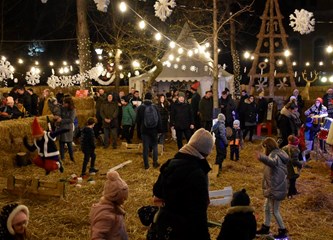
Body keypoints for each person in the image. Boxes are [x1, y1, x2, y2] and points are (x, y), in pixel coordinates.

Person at [149, 128, 213, 240]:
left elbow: (157, 191)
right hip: (185, 229)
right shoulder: (198, 174)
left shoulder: (170, 164)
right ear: (205, 152)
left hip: (166, 226)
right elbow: (199, 213)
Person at [256, 137, 289, 239]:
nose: (263, 150)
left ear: (267, 147)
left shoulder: (274, 155)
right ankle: (265, 227)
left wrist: (261, 157)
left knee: (274, 211)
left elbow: (272, 162)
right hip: (275, 186)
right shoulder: (279, 152)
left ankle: (282, 231)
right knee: (266, 207)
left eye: (264, 148)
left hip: (276, 188)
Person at [90, 170, 129, 240]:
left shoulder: (114, 208)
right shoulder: (106, 215)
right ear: (114, 197)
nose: (125, 200)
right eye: (123, 198)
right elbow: (97, 236)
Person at [136, 92, 161, 169]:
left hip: (144, 130)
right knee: (155, 146)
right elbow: (159, 119)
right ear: (151, 98)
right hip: (154, 130)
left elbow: (138, 120)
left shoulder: (140, 107)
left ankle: (146, 165)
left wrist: (138, 132)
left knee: (145, 148)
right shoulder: (155, 107)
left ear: (144, 98)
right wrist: (159, 130)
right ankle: (155, 162)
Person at [57, 96, 76, 162]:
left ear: (68, 103)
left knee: (69, 143)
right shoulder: (62, 108)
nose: (63, 104)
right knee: (61, 143)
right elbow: (59, 114)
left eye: (64, 103)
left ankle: (72, 157)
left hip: (68, 128)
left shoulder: (73, 110)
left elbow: (71, 120)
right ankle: (62, 158)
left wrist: (61, 120)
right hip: (62, 127)